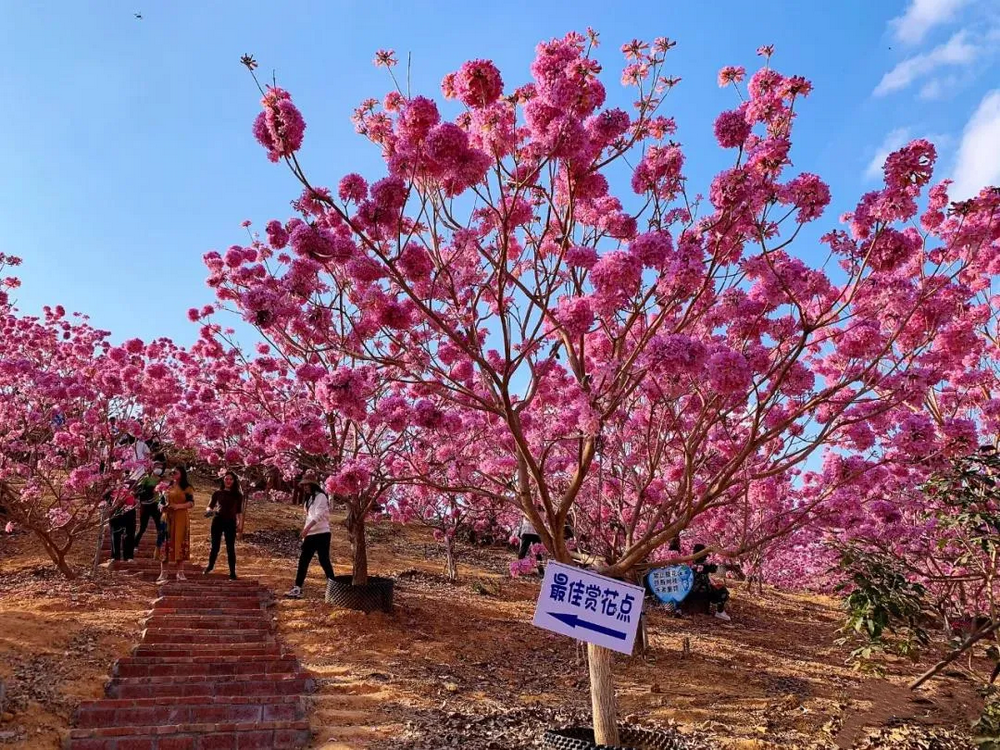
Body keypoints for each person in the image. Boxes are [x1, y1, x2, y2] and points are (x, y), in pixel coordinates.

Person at [285, 471, 335, 599]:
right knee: (303, 560)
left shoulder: (321, 497)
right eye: (304, 485)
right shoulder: (310, 498)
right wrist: (306, 531)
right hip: (311, 534)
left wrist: (306, 529)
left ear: (314, 485)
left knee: (324, 560)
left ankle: (334, 586)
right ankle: (297, 587)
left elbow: (318, 516)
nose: (305, 487)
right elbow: (309, 516)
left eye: (308, 485)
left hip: (322, 533)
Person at [156, 466, 195, 584]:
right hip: (166, 517)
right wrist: (161, 507)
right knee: (164, 542)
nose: (172, 474)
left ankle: (180, 572)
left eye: (175, 472)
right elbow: (160, 502)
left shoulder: (187, 488)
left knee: (179, 541)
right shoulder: (166, 487)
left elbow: (191, 503)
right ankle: (163, 572)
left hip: (181, 517)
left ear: (181, 474)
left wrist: (178, 506)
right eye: (171, 472)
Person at [204, 471, 243, 580]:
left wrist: (239, 523)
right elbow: (210, 506)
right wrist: (209, 511)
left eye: (230, 479)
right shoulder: (217, 493)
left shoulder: (238, 495)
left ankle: (232, 572)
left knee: (230, 548)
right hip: (218, 520)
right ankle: (210, 566)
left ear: (234, 481)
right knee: (215, 546)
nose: (228, 481)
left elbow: (239, 511)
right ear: (223, 480)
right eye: (226, 479)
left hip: (230, 522)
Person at [687, 544, 731, 621]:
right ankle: (720, 611)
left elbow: (713, 569)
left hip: (690, 589)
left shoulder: (690, 561)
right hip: (701, 588)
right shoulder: (701, 563)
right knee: (723, 591)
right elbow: (713, 569)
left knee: (719, 589)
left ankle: (720, 611)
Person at [134, 462, 165, 548]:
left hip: (156, 505)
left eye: (161, 468)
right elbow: (139, 492)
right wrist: (152, 490)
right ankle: (134, 544)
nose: (159, 469)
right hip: (146, 505)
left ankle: (160, 545)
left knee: (159, 526)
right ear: (152, 467)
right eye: (157, 467)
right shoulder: (145, 479)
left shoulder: (161, 480)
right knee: (143, 527)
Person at [108, 490, 137, 563]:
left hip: (130, 509)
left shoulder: (133, 481)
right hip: (115, 508)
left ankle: (129, 557)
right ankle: (115, 556)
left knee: (130, 534)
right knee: (115, 534)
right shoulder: (111, 484)